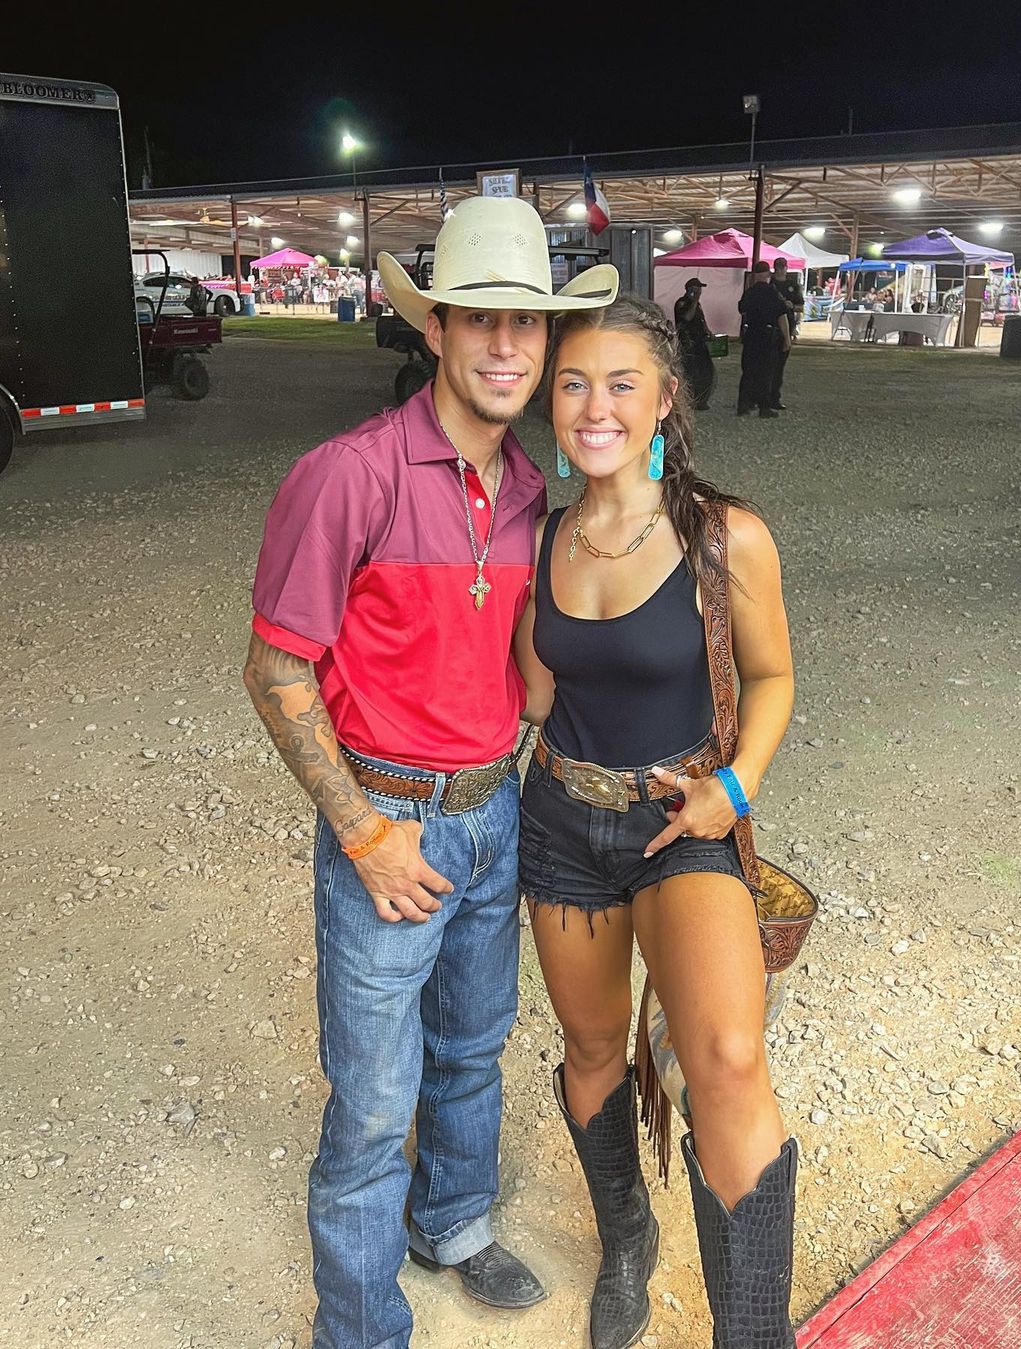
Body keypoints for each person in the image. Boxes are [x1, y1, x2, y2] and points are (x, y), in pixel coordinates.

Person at [243, 195, 618, 1349]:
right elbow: (275, 667)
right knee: (369, 1106)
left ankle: (450, 1220)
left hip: (492, 809)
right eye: (481, 318)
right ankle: (359, 1328)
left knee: (470, 1047)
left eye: (528, 322)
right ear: (435, 328)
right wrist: (363, 832)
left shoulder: (528, 492)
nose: (507, 344)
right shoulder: (347, 475)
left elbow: (527, 677)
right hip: (388, 817)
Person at [514, 292, 799, 1349]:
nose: (595, 407)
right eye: (573, 384)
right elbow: (535, 697)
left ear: (666, 398)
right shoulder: (543, 537)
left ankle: (753, 1332)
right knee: (592, 1047)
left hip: (683, 823)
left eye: (621, 384)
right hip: (562, 824)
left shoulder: (726, 535)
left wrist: (737, 785)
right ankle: (628, 1238)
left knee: (723, 1057)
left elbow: (772, 677)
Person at [737, 261, 791, 417]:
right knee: (766, 372)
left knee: (748, 371)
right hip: (767, 336)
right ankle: (764, 407)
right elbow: (782, 315)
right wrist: (787, 338)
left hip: (751, 334)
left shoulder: (750, 292)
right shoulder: (772, 292)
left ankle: (743, 404)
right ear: (767, 274)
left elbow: (742, 308)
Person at [674, 278, 715, 410]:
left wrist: (708, 331)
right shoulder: (682, 303)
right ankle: (690, 400)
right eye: (697, 288)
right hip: (688, 343)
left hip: (699, 341)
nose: (700, 291)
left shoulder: (697, 304)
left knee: (706, 370)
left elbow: (701, 319)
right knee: (691, 372)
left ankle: (701, 399)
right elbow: (687, 317)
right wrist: (695, 300)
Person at [769, 258, 804, 411]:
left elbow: (800, 307)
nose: (781, 270)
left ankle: (774, 397)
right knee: (767, 364)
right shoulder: (770, 284)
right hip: (770, 327)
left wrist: (792, 306)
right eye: (778, 267)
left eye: (783, 267)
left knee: (779, 366)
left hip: (786, 328)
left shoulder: (793, 285)